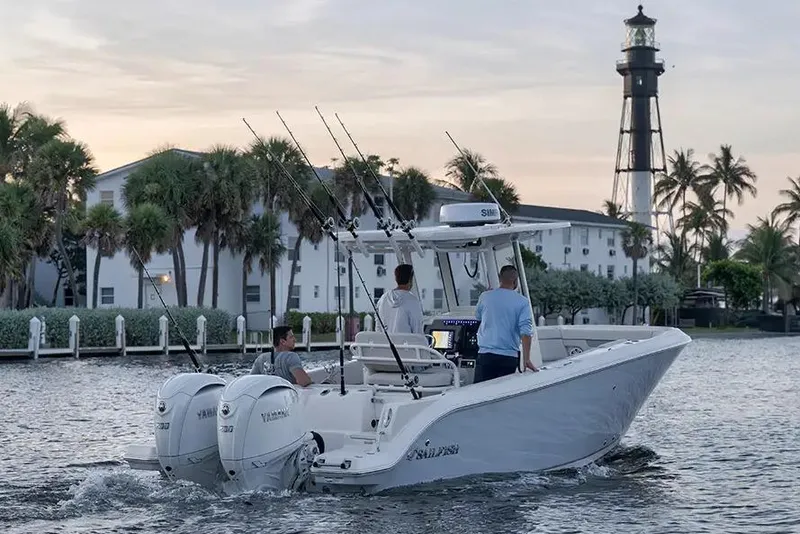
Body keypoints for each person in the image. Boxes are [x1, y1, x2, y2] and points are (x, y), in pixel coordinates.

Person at [473, 264, 538, 383]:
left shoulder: (485, 296)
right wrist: (526, 359)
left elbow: (478, 317)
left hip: (485, 355)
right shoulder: (522, 302)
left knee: (479, 393)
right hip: (508, 357)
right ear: (516, 280)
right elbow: (526, 333)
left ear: (499, 278)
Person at [375, 263, 423, 334]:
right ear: (410, 279)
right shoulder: (413, 301)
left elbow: (378, 327)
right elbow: (417, 330)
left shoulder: (383, 298)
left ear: (396, 278)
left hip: (385, 344)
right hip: (407, 344)